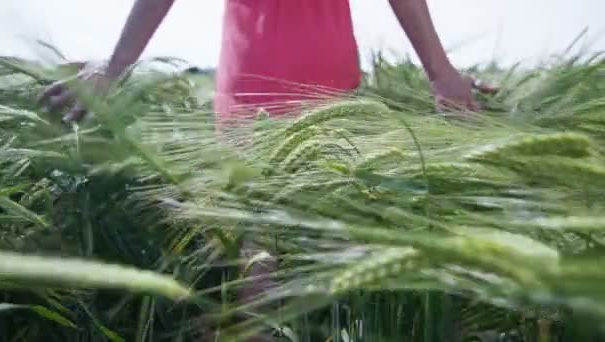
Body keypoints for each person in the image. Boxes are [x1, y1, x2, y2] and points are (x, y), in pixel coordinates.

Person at [39, 0, 494, 339]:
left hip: (337, 100)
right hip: (253, 100)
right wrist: (114, 67)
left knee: (344, 280)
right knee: (261, 283)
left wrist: (440, 73)